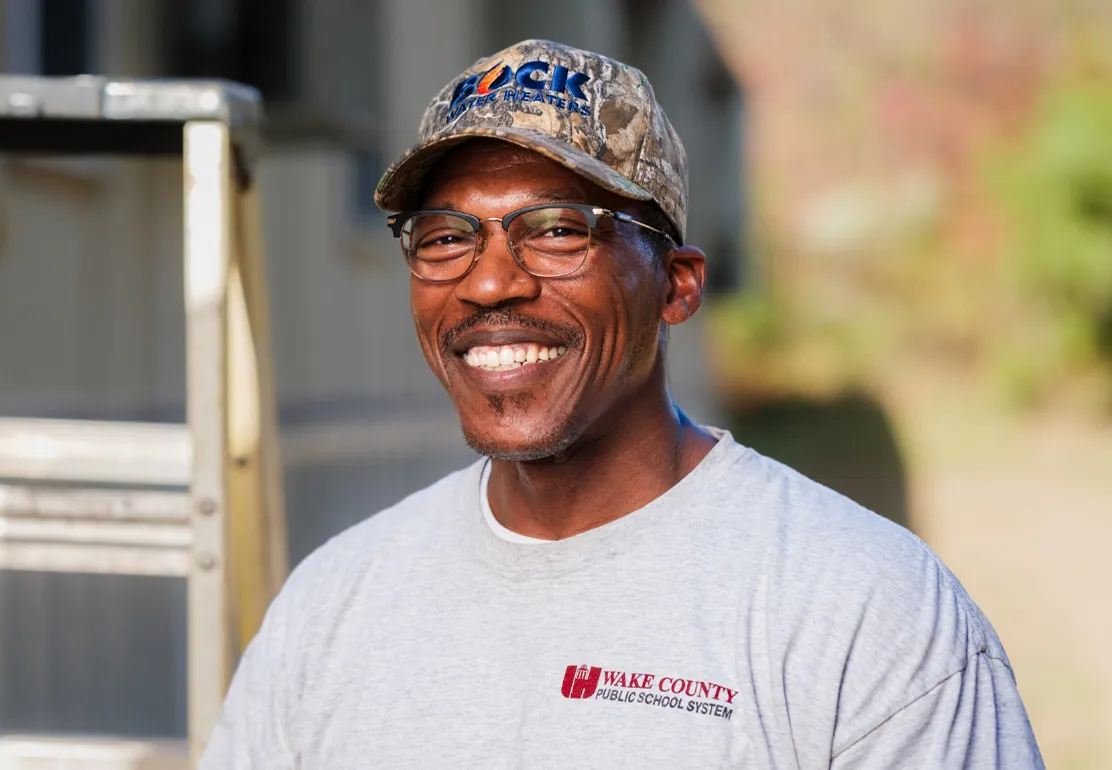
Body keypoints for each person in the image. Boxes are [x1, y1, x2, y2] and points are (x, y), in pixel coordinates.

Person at [202, 39, 1042, 769]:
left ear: (677, 287)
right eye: (447, 236)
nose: (490, 281)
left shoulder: (857, 607)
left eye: (560, 228)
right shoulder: (336, 605)